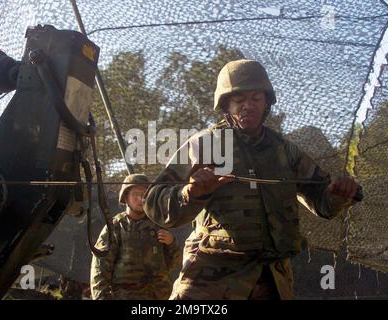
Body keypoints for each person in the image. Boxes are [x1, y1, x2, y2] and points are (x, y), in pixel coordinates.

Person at [143, 59, 361, 300]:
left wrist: (339, 195)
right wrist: (192, 193)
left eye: (256, 98)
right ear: (226, 105)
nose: (248, 106)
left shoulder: (285, 151)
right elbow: (154, 202)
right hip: (210, 283)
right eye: (239, 100)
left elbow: (323, 202)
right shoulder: (205, 145)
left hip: (274, 282)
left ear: (266, 102)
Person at [90, 173, 182, 300]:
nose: (140, 198)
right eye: (135, 194)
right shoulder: (115, 227)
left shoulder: (157, 225)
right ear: (126, 198)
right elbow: (100, 268)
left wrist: (171, 243)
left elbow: (174, 263)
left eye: (144, 194)